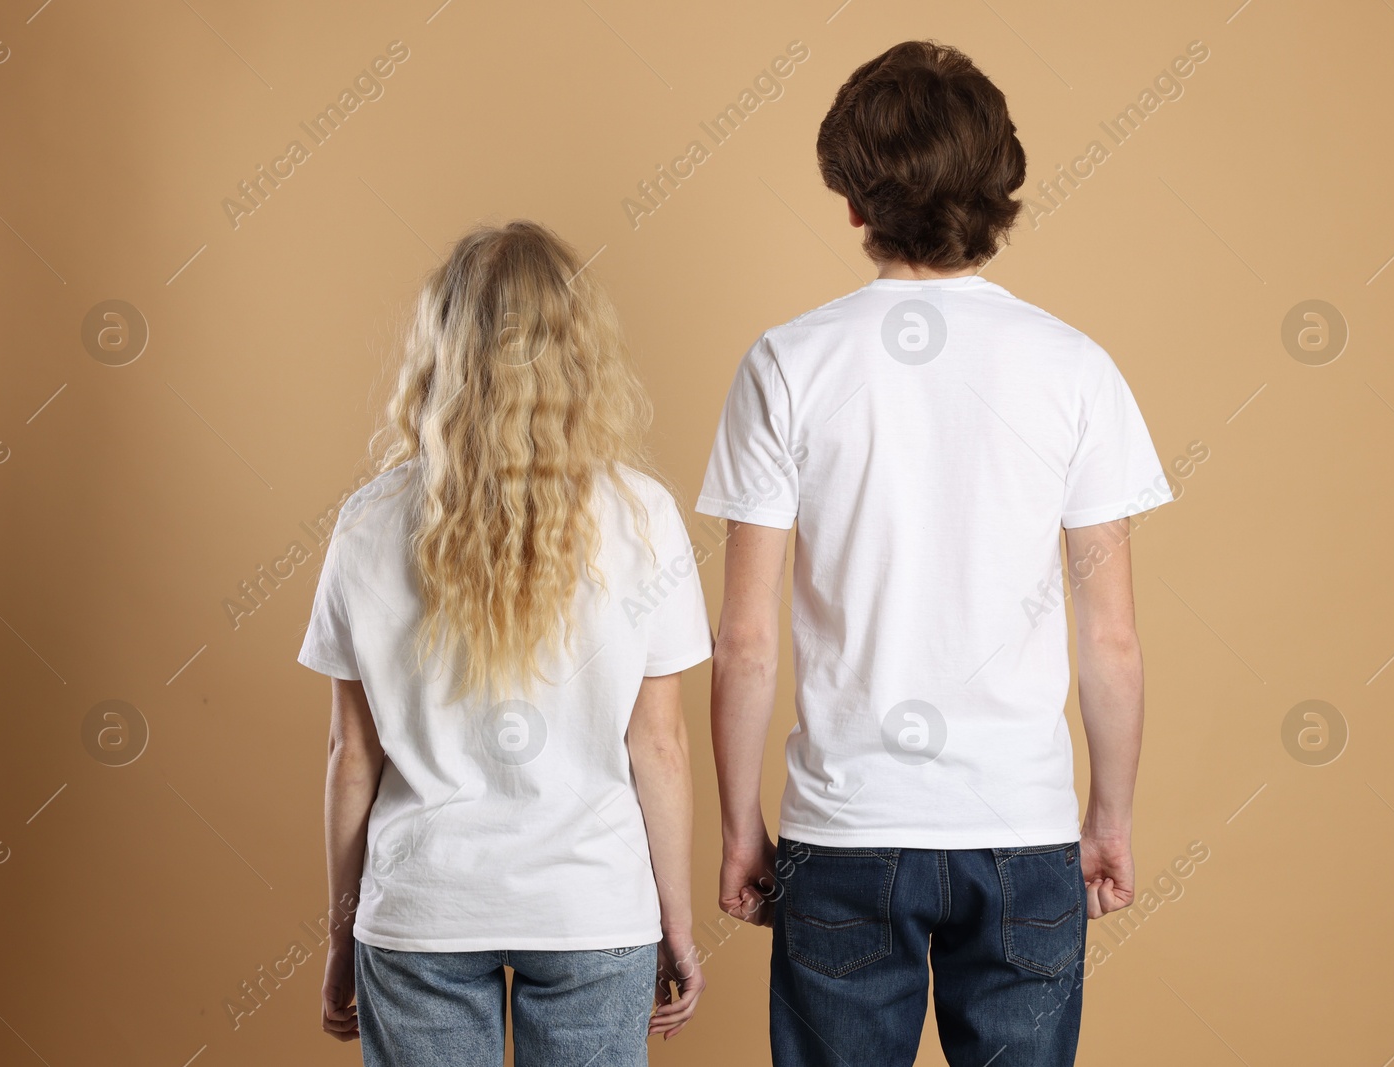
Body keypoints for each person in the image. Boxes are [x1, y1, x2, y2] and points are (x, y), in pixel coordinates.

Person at [697, 41, 1171, 1067]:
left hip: (844, 831)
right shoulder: (1075, 370)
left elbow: (743, 640)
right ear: (999, 189)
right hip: (1022, 826)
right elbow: (1113, 639)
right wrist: (1108, 814)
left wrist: (741, 826)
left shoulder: (787, 363)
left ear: (855, 199)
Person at [301, 221, 711, 1066]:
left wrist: (343, 938)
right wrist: (674, 919)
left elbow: (352, 754)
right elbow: (660, 746)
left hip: (422, 909)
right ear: (576, 350)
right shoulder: (644, 517)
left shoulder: (368, 520)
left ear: (441, 347)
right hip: (593, 907)